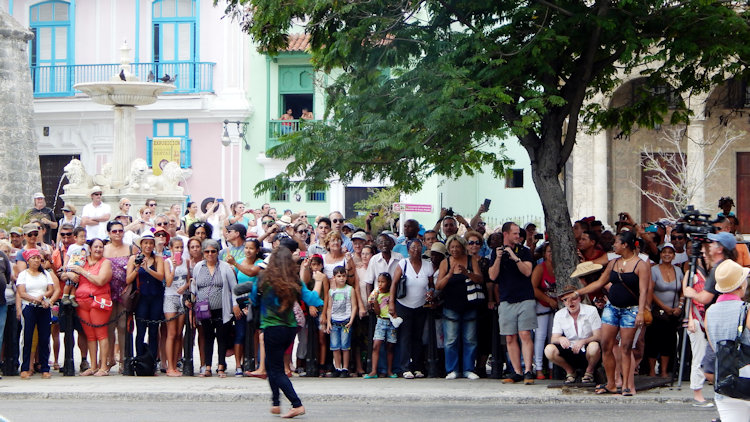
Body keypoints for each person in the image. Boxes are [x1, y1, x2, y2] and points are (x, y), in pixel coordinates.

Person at [573, 231, 649, 396]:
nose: (613, 245)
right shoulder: (613, 263)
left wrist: (641, 312)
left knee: (626, 348)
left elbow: (644, 291)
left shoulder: (640, 265)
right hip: (612, 308)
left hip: (631, 310)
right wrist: (578, 293)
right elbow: (600, 283)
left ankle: (629, 385)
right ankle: (612, 383)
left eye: (616, 243)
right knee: (606, 345)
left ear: (625, 245)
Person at [251, 246, 323, 418]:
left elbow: (254, 298)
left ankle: (296, 404)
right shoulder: (294, 281)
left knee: (275, 370)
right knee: (271, 365)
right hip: (290, 328)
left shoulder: (263, 278)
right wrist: (318, 282)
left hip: (272, 328)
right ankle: (275, 402)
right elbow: (314, 299)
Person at [490, 222, 536, 385]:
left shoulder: (524, 252)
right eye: (515, 233)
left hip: (525, 298)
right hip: (506, 299)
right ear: (506, 234)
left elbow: (527, 271)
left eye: (519, 234)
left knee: (525, 334)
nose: (518, 236)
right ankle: (516, 371)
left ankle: (528, 370)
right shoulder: (496, 253)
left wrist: (514, 257)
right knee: (510, 337)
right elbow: (493, 276)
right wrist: (499, 258)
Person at [705, 259, 750, 419]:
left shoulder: (710, 312)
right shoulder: (746, 310)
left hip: (725, 381)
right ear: (741, 285)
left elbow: (715, 346)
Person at [436, 235, 483, 379]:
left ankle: (468, 368)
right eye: (452, 247)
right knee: (451, 340)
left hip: (469, 305)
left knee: (470, 339)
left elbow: (480, 279)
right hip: (451, 306)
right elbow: (438, 286)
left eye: (457, 246)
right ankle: (452, 369)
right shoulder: (445, 263)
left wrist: (466, 272)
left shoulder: (471, 260)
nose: (455, 249)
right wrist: (449, 275)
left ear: (463, 247)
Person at [65, 238, 113, 376]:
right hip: (82, 302)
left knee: (101, 333)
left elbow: (100, 280)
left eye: (100, 247)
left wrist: (83, 272)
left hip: (98, 300)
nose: (98, 249)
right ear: (89, 248)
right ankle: (93, 366)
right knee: (90, 335)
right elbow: (65, 271)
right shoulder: (82, 261)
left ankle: (103, 366)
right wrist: (68, 273)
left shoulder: (105, 263)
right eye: (95, 247)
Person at [192, 239, 238, 378]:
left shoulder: (225, 267)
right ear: (203, 253)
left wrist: (235, 304)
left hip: (221, 308)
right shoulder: (198, 267)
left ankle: (221, 366)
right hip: (204, 309)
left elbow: (234, 287)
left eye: (213, 251)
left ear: (218, 252)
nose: (210, 254)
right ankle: (207, 366)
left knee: (222, 337)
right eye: (207, 251)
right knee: (207, 337)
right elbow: (194, 285)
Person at [390, 238, 433, 378]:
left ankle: (418, 367)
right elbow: (394, 284)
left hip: (421, 305)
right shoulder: (403, 264)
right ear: (408, 250)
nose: (416, 250)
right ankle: (405, 367)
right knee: (405, 336)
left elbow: (431, 285)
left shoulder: (428, 265)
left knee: (418, 337)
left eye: (418, 247)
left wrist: (431, 292)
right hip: (404, 305)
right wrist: (391, 303)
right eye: (413, 248)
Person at [544, 285, 602, 384]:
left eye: (573, 299)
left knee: (594, 346)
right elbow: (554, 338)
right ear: (563, 302)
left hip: (587, 349)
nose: (570, 302)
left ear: (579, 298)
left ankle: (589, 371)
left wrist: (583, 341)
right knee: (549, 350)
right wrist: (561, 338)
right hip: (570, 349)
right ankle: (570, 372)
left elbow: (598, 336)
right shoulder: (559, 314)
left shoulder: (591, 310)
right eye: (566, 300)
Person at [645, 243, 684, 378]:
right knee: (654, 340)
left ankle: (664, 371)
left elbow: (682, 291)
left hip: (673, 312)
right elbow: (651, 292)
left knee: (669, 341)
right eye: (664, 252)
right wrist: (664, 307)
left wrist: (679, 306)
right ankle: (651, 371)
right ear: (660, 254)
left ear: (674, 255)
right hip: (658, 311)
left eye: (670, 252)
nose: (667, 254)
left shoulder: (678, 271)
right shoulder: (654, 270)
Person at [17, 249, 57, 379]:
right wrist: (35, 299)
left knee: (44, 338)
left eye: (38, 258)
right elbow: (22, 292)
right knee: (27, 337)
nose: (36, 260)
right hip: (29, 307)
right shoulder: (23, 274)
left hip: (43, 307)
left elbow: (50, 290)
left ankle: (45, 368)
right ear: (28, 260)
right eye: (33, 258)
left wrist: (43, 297)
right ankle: (25, 368)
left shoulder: (45, 274)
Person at [126, 233, 165, 365]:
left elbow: (160, 276)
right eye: (145, 243)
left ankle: (152, 360)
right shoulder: (134, 258)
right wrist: (137, 268)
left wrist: (147, 269)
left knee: (154, 330)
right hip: (141, 297)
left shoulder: (158, 259)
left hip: (156, 297)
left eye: (150, 243)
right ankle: (140, 359)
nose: (148, 246)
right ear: (141, 244)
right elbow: (128, 279)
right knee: (141, 329)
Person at [103, 220, 133, 373]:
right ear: (109, 233)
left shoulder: (130, 248)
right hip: (107, 291)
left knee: (122, 326)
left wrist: (130, 286)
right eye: (114, 231)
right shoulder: (104, 249)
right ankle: (109, 359)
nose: (117, 234)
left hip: (124, 291)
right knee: (108, 327)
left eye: (120, 231)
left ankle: (123, 359)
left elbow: (135, 267)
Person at [531, 242, 557, 380]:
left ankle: (553, 368)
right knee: (540, 336)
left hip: (557, 307)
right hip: (542, 305)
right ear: (544, 254)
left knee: (553, 336)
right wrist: (548, 300)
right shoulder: (540, 268)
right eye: (548, 251)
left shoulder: (560, 268)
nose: (551, 254)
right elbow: (533, 288)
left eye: (553, 251)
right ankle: (539, 368)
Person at [164, 237, 189, 376]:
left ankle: (175, 363)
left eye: (181, 247)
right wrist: (174, 267)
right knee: (171, 333)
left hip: (182, 298)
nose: (179, 250)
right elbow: (167, 282)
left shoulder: (186, 261)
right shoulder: (167, 262)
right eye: (176, 248)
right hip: (170, 297)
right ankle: (170, 366)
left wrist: (185, 287)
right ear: (171, 248)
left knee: (179, 333)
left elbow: (189, 280)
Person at [326, 265, 357, 377]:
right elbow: (329, 307)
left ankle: (345, 368)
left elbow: (354, 306)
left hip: (346, 321)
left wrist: (351, 320)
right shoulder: (332, 292)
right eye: (339, 276)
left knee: (345, 346)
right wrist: (328, 322)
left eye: (343, 276)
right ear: (334, 277)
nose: (342, 278)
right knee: (335, 346)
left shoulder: (350, 289)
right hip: (334, 321)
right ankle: (337, 367)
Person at [366, 272, 397, 379]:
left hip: (391, 322)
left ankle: (389, 370)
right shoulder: (377, 293)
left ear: (388, 283)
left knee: (390, 347)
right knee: (376, 345)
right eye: (378, 282)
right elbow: (377, 313)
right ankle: (374, 370)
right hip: (380, 321)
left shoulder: (392, 294)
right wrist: (374, 302)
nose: (380, 284)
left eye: (382, 282)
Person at [61, 226, 88, 307]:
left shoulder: (86, 247)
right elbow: (67, 256)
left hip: (80, 268)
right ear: (75, 237)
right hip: (72, 267)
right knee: (69, 283)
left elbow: (88, 257)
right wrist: (65, 265)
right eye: (81, 236)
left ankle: (72, 297)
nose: (83, 238)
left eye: (85, 236)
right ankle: (65, 296)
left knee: (75, 284)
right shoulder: (72, 247)